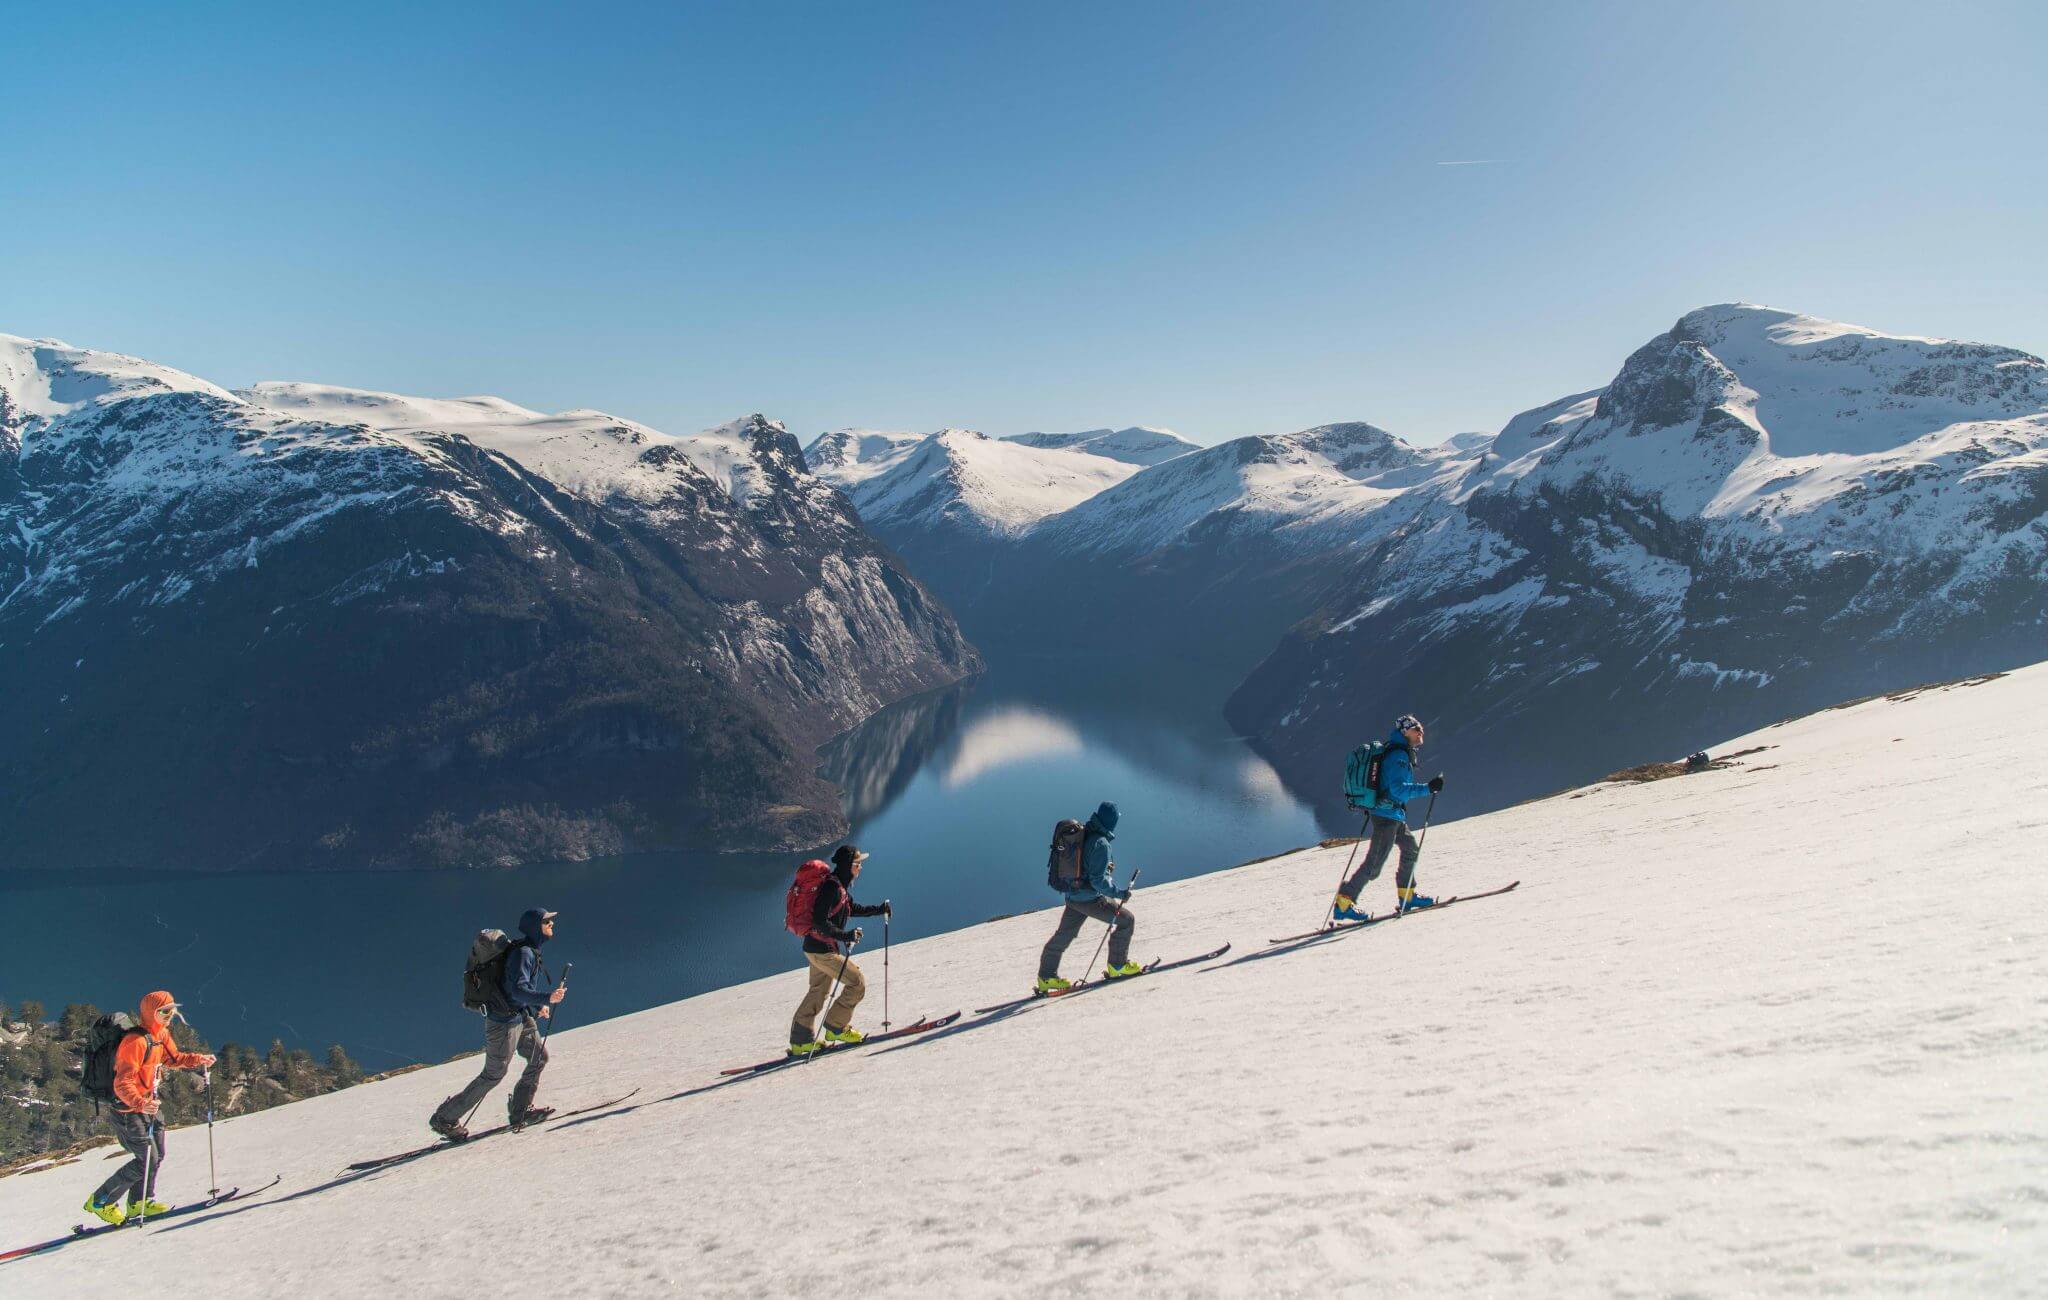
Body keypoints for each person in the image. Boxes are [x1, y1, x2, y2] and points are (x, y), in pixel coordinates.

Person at [430, 908, 565, 1140]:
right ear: (535, 926)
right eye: (547, 921)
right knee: (493, 1074)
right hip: (503, 1024)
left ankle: (520, 1111)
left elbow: (514, 990)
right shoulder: (524, 953)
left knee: (539, 1057)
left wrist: (535, 1007)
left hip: (520, 1016)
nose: (552, 923)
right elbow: (517, 989)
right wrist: (547, 998)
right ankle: (445, 1118)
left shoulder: (529, 951)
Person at [83, 990, 215, 1225]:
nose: (170, 1015)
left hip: (148, 1104)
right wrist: (140, 1103)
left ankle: (139, 1203)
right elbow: (122, 1082)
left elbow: (172, 1059)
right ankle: (101, 1200)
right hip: (128, 1109)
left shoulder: (160, 1035)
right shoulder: (135, 1041)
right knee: (146, 1159)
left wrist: (198, 1059)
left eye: (172, 1010)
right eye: (164, 1011)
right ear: (150, 1013)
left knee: (157, 1155)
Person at [1333, 714, 1445, 920]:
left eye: (1420, 727)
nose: (1421, 732)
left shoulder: (1398, 752)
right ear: (1405, 732)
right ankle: (1344, 901)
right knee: (1374, 865)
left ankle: (1407, 896)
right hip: (1386, 816)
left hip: (1391, 814)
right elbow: (1398, 790)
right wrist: (1428, 788)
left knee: (1410, 848)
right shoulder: (1398, 756)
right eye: (1416, 729)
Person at [789, 845, 891, 1056]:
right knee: (857, 982)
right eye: (857, 864)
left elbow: (852, 908)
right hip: (822, 950)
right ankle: (836, 1028)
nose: (860, 868)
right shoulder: (832, 888)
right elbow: (820, 922)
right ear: (848, 866)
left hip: (814, 948)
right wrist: (846, 935)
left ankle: (800, 1042)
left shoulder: (839, 888)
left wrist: (878, 909)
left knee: (818, 991)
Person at [1036, 801, 1140, 993]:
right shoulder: (1101, 844)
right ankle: (1118, 966)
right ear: (1112, 822)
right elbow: (1098, 881)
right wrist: (1120, 893)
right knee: (1127, 920)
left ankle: (1046, 977)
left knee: (1063, 935)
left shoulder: (1084, 833)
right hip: (1089, 900)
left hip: (1073, 897)